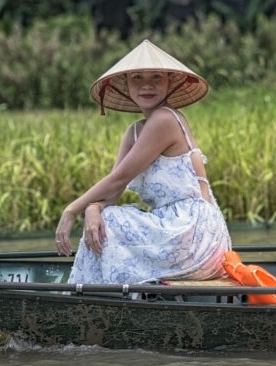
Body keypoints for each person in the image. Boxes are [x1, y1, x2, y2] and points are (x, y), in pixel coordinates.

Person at [55, 39, 232, 284]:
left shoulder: (165, 119)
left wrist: (71, 210)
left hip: (196, 234)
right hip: (170, 228)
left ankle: (95, 297)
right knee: (104, 217)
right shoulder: (134, 132)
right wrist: (92, 208)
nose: (146, 85)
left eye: (156, 77)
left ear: (169, 82)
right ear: (126, 85)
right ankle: (96, 297)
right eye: (137, 77)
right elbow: (114, 189)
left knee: (111, 219)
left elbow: (119, 178)